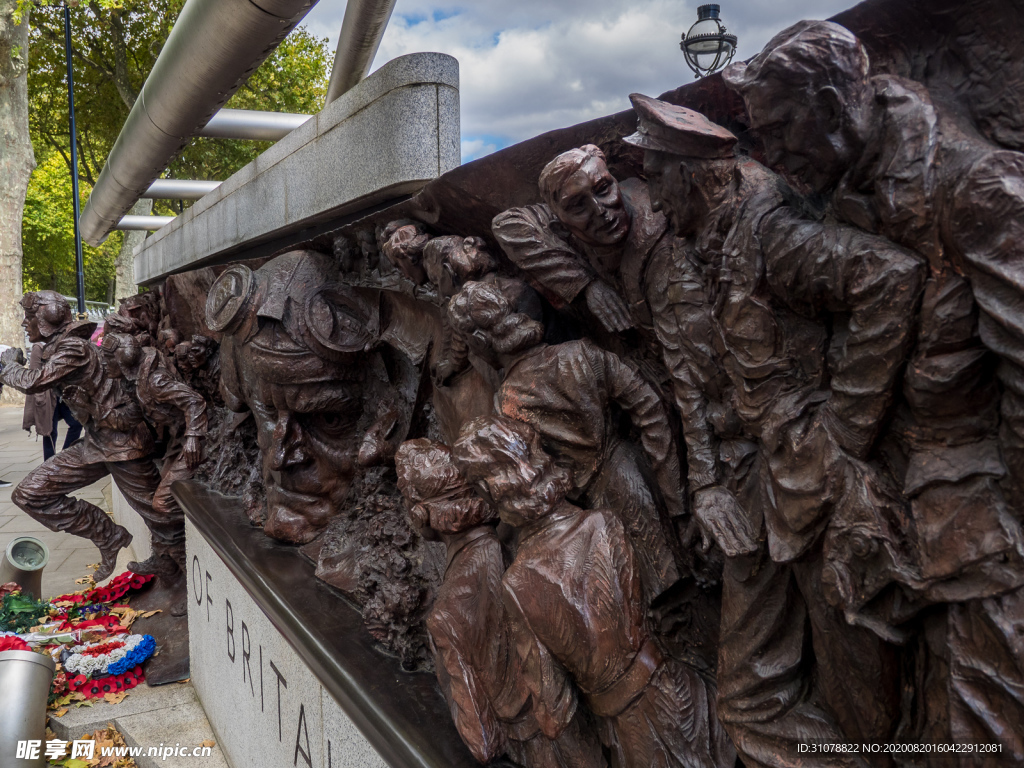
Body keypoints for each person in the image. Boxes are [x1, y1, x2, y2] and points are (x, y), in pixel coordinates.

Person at [723, 22, 1024, 756]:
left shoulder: (972, 184)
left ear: (832, 103)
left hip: (972, 525)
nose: (771, 155)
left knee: (976, 735)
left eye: (779, 129)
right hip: (885, 504)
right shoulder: (823, 183)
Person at [625, 93, 926, 765]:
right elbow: (689, 393)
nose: (650, 197)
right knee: (745, 697)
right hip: (745, 481)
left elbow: (890, 278)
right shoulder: (671, 262)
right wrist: (706, 489)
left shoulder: (772, 232)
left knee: (862, 691)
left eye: (656, 176)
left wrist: (845, 432)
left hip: (817, 480)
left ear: (696, 176)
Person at [453, 415, 735, 768]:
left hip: (636, 733)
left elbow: (554, 707)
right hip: (685, 694)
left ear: (494, 493)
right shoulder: (603, 523)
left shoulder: (518, 583)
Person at [448, 278, 684, 602]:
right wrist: (673, 494)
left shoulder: (505, 403)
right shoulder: (581, 354)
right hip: (633, 478)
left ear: (481, 343)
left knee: (641, 595)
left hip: (583, 515)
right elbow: (650, 409)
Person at [395, 438, 605, 768]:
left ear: (420, 515)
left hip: (536, 752)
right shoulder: (522, 546)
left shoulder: (446, 616)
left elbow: (483, 741)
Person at [0, 291, 160, 582]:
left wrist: (7, 365)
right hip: (98, 442)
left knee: (159, 515)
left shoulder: (73, 348)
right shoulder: (64, 346)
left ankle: (174, 575)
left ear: (46, 320)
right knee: (30, 494)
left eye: (29, 317)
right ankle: (109, 537)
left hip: (123, 442)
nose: (25, 324)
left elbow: (33, 381)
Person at [102, 331, 207, 616]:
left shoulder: (154, 381)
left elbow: (194, 402)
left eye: (107, 358)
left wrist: (195, 436)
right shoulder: (137, 377)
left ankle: (190, 582)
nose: (104, 364)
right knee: (155, 500)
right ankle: (163, 556)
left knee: (162, 504)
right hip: (177, 440)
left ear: (121, 360)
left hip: (197, 441)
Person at [23, 342, 83, 460]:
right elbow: (35, 374)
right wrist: (40, 397)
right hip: (48, 395)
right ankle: (49, 462)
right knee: (50, 431)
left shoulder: (61, 341)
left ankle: (64, 456)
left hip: (64, 394)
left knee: (76, 423)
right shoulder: (38, 347)